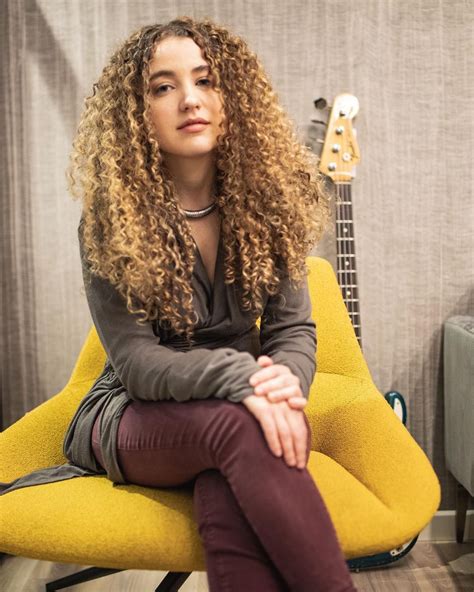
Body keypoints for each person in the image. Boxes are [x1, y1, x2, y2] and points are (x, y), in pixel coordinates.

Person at [1, 16, 357, 592]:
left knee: (230, 498)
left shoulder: (275, 199)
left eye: (206, 79)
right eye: (163, 87)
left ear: (232, 94)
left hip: (240, 411)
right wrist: (246, 379)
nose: (189, 99)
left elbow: (294, 331)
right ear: (137, 113)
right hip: (130, 416)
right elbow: (139, 365)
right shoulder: (111, 220)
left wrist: (284, 387)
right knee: (243, 428)